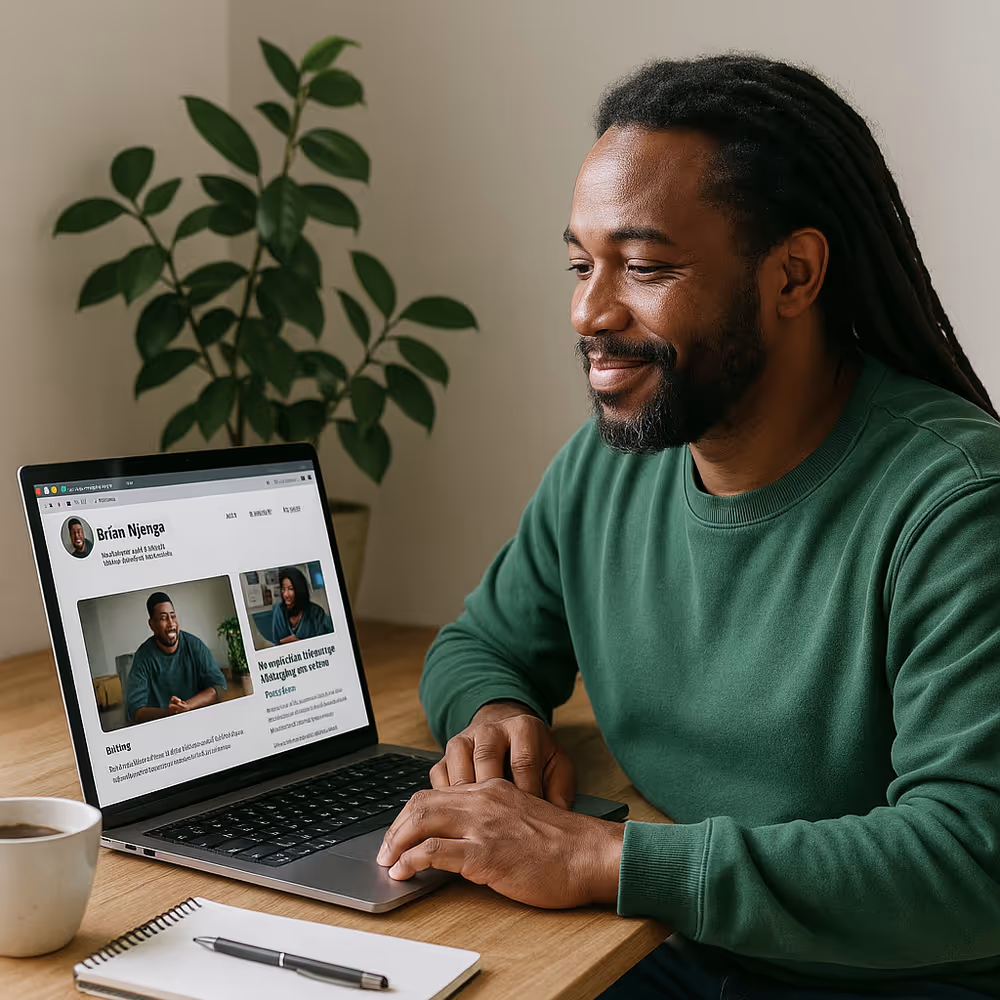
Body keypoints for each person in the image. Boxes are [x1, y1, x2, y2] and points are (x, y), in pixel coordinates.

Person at [376, 55, 1000, 999]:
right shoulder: (608, 465)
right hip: (670, 949)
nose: (589, 310)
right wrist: (495, 718)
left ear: (794, 274)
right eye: (582, 264)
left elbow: (971, 862)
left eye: (646, 266)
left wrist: (607, 860)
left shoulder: (958, 506)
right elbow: (483, 642)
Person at [125, 592, 227, 724]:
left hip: (199, 721)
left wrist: (187, 706)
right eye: (163, 618)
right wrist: (170, 713)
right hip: (163, 727)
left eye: (173, 616)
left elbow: (219, 687)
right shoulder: (143, 657)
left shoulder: (195, 645)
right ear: (152, 625)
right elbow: (136, 711)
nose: (171, 623)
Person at [270, 566, 333, 645]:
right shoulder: (279, 610)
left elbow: (326, 640)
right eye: (283, 589)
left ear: (299, 590)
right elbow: (277, 642)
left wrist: (297, 640)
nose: (286, 594)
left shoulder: (315, 611)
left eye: (291, 589)